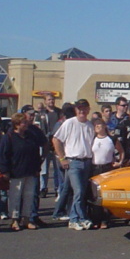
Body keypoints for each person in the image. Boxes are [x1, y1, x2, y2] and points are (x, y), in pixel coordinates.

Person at [0, 112, 49, 230]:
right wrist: (5, 171)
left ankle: (26, 219)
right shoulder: (9, 137)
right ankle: (15, 220)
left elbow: (37, 152)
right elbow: (2, 155)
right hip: (16, 172)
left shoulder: (31, 135)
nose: (26, 124)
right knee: (15, 196)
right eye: (23, 122)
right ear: (16, 124)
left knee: (29, 196)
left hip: (31, 171)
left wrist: (37, 167)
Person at [52, 98, 96, 231]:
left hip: (87, 162)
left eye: (84, 108)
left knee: (81, 193)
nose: (82, 111)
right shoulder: (69, 123)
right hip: (73, 162)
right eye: (79, 108)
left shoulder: (90, 125)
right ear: (76, 110)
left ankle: (80, 217)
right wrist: (62, 158)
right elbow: (56, 139)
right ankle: (75, 219)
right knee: (78, 191)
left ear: (88, 110)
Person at [35, 95, 62, 196]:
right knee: (44, 169)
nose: (51, 101)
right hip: (45, 143)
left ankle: (57, 188)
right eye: (49, 100)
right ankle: (43, 188)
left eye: (52, 99)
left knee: (57, 168)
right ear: (45, 102)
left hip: (57, 144)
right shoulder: (41, 114)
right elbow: (37, 128)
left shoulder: (59, 113)